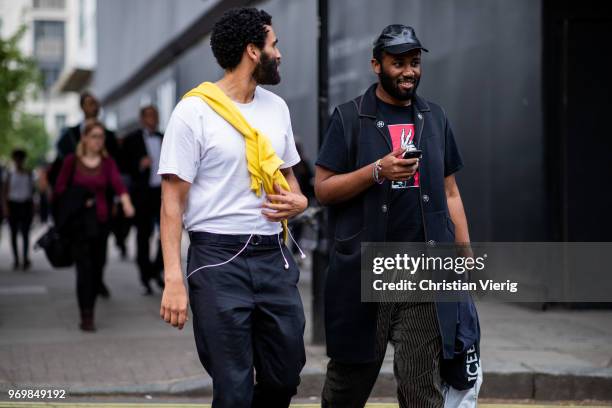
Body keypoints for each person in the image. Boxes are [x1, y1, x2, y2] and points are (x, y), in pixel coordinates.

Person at [315, 25, 481, 407]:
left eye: (415, 62)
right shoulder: (348, 117)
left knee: (422, 385)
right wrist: (377, 171)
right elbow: (323, 190)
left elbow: (451, 191)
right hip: (366, 271)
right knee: (348, 384)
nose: (408, 71)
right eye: (398, 63)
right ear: (376, 65)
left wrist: (465, 252)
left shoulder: (434, 118)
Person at [158, 8, 307, 407]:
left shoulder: (277, 108)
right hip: (217, 259)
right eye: (274, 45)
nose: (280, 54)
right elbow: (172, 202)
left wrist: (300, 200)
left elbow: (291, 179)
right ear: (252, 51)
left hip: (272, 255)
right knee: (233, 387)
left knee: (285, 373)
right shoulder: (193, 112)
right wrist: (173, 278)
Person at [54, 120, 135, 331]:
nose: (99, 140)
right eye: (95, 136)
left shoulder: (107, 163)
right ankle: (86, 314)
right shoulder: (72, 161)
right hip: (79, 225)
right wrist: (80, 197)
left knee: (98, 267)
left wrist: (126, 203)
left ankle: (92, 300)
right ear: (84, 138)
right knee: (84, 270)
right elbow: (59, 190)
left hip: (100, 223)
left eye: (101, 137)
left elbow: (118, 184)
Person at [49, 92, 122, 298]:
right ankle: (86, 300)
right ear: (82, 107)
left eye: (96, 103)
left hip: (102, 203)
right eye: (90, 103)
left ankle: (97, 279)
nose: (94, 106)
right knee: (82, 253)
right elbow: (60, 173)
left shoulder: (109, 136)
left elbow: (116, 171)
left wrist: (119, 198)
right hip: (78, 207)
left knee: (100, 249)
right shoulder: (70, 136)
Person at [121, 105, 164, 295]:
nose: (153, 119)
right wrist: (139, 164)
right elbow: (123, 166)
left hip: (163, 193)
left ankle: (156, 269)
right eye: (149, 116)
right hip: (143, 195)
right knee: (143, 236)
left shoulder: (165, 137)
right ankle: (145, 277)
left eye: (155, 115)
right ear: (142, 118)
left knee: (167, 235)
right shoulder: (132, 139)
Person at [2, 149, 35, 270]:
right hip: (13, 204)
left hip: (25, 204)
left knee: (26, 233)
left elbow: (31, 192)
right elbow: (5, 192)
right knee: (14, 233)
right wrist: (5, 207)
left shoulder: (29, 173)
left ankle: (25, 258)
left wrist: (32, 207)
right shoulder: (9, 174)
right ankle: (16, 259)